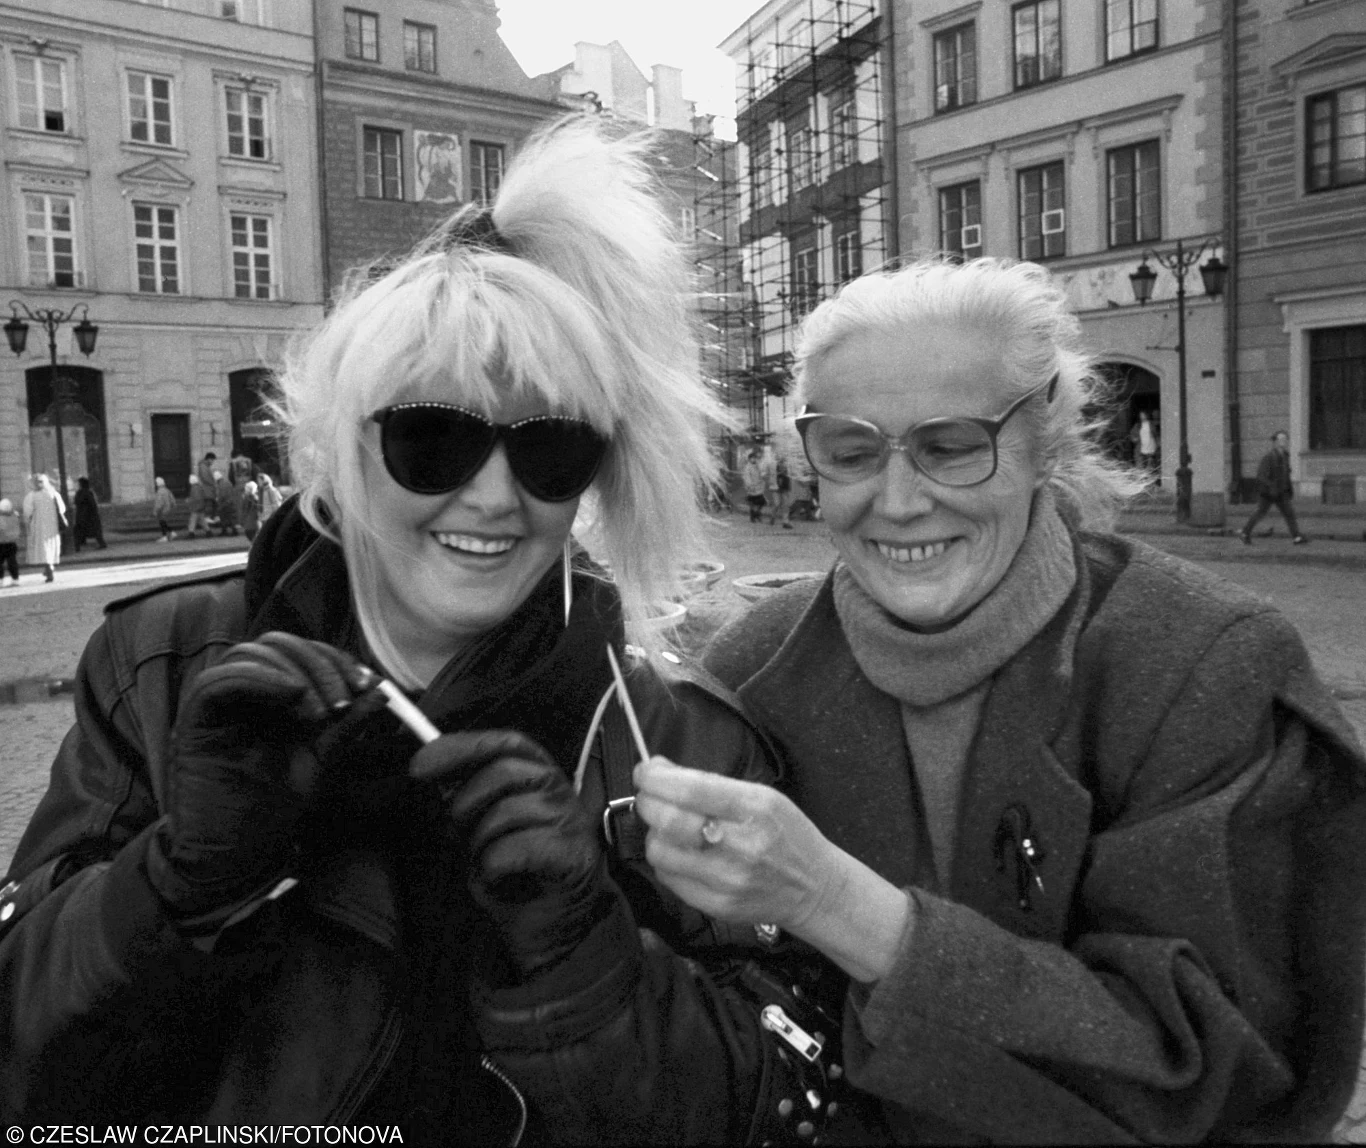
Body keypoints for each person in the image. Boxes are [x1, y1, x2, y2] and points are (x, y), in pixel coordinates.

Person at [0, 118, 840, 1143]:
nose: (493, 496)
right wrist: (179, 886)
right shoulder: (162, 664)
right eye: (432, 438)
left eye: (549, 448)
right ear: (341, 449)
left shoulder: (675, 739)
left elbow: (783, 1101)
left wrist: (594, 970)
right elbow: (26, 1064)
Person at [633, 256, 1366, 1142]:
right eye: (853, 451)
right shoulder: (751, 666)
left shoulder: (1203, 664)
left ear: (1041, 449)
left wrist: (840, 906)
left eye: (950, 446)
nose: (898, 502)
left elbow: (1212, 1079)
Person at [1240, 430, 1307, 545]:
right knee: (1260, 513)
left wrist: (1288, 487)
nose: (1283, 441)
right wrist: (1272, 486)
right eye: (1280, 439)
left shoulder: (1285, 456)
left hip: (1282, 492)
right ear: (1275, 442)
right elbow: (1261, 476)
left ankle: (1296, 537)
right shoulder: (1269, 457)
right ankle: (1245, 532)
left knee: (1289, 513)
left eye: (1285, 439)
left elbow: (1286, 474)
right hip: (1268, 493)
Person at [21, 473, 64, 583]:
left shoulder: (32, 496)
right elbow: (62, 509)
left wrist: (27, 521)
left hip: (38, 525)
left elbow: (27, 512)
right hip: (52, 525)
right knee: (50, 546)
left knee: (43, 548)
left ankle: (49, 567)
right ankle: (48, 567)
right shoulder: (53, 494)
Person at [72, 476, 106, 552]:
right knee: (89, 531)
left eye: (79, 483)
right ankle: (81, 544)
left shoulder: (83, 492)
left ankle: (78, 547)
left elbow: (80, 502)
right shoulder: (88, 492)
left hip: (85, 516)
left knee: (79, 531)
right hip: (88, 515)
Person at [741, 446, 767, 522]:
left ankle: (756, 514)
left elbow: (761, 474)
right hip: (752, 488)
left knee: (762, 502)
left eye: (755, 458)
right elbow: (747, 477)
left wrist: (763, 475)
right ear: (749, 459)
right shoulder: (747, 467)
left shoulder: (758, 465)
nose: (754, 459)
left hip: (759, 487)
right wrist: (749, 486)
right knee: (753, 503)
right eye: (752, 458)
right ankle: (753, 517)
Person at [0, 498, 20, 586]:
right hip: (12, 542)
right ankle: (15, 579)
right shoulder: (15, 516)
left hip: (1, 543)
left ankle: (0, 580)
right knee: (12, 562)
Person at [151, 476, 176, 542]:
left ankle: (165, 536)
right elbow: (172, 499)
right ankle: (171, 532)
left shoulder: (159, 492)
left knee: (162, 523)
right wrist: (173, 506)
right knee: (164, 523)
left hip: (162, 510)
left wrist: (155, 511)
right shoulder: (167, 490)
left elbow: (159, 503)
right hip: (167, 509)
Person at [183, 473, 208, 538]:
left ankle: (191, 533)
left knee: (192, 520)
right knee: (202, 520)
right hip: (200, 506)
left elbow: (196, 498)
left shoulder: (194, 488)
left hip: (196, 507)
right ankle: (208, 531)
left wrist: (188, 500)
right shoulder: (199, 487)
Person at [212, 469, 237, 535]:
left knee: (223, 517)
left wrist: (218, 501)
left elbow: (221, 495)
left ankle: (225, 530)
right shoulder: (228, 482)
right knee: (230, 517)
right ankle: (234, 530)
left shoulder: (220, 485)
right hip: (230, 502)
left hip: (224, 503)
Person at [1135, 409, 1158, 474]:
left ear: (1146, 415)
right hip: (1142, 447)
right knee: (1143, 464)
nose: (1142, 417)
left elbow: (1155, 434)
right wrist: (1135, 438)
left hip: (1151, 446)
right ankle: (1146, 477)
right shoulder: (1138, 425)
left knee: (1150, 464)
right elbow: (1134, 434)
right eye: (1141, 415)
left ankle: (1150, 477)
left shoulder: (1151, 424)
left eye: (1143, 415)